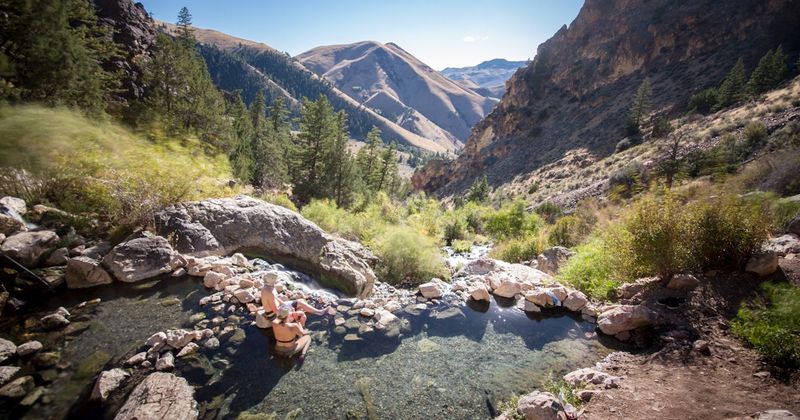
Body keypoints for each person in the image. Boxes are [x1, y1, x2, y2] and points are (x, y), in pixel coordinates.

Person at [259, 271, 333, 325]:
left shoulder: (267, 287)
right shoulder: (270, 292)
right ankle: (299, 328)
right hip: (273, 314)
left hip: (279, 307)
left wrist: (284, 303)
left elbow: (275, 298)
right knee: (300, 313)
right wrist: (289, 311)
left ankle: (318, 312)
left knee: (300, 301)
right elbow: (275, 310)